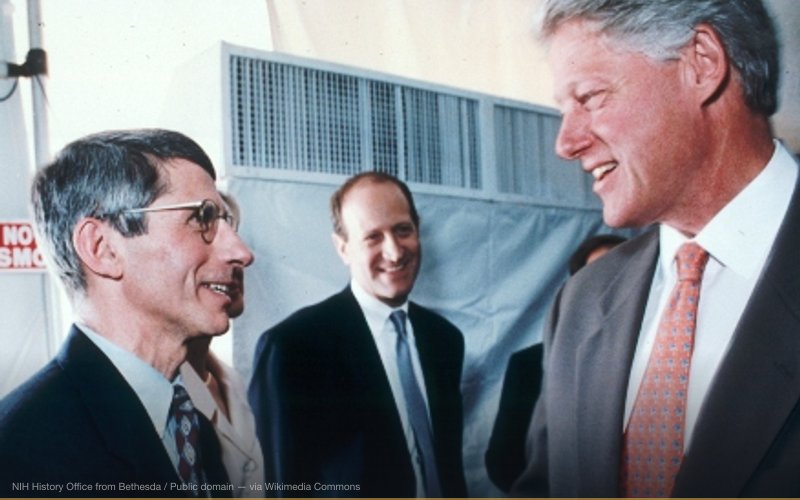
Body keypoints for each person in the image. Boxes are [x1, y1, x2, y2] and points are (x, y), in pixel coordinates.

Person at [512, 0, 800, 497]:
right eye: (565, 109)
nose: (565, 143)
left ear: (702, 62)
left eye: (591, 97)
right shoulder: (580, 303)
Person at [0, 129, 254, 497]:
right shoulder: (21, 450)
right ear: (102, 248)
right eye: (203, 217)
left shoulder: (192, 427)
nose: (241, 252)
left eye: (227, 222)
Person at [248, 171, 468, 497]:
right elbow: (283, 486)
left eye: (402, 230)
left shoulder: (445, 340)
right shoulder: (294, 348)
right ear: (343, 248)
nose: (394, 252)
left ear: (418, 231)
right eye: (373, 237)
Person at [485, 233, 625, 493]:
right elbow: (502, 463)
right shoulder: (528, 365)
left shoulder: (659, 362)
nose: (609, 290)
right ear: (578, 291)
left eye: (620, 276)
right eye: (597, 278)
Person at [182, 191, 265, 498]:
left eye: (234, 235)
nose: (240, 256)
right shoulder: (167, 396)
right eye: (211, 240)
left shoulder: (232, 380)